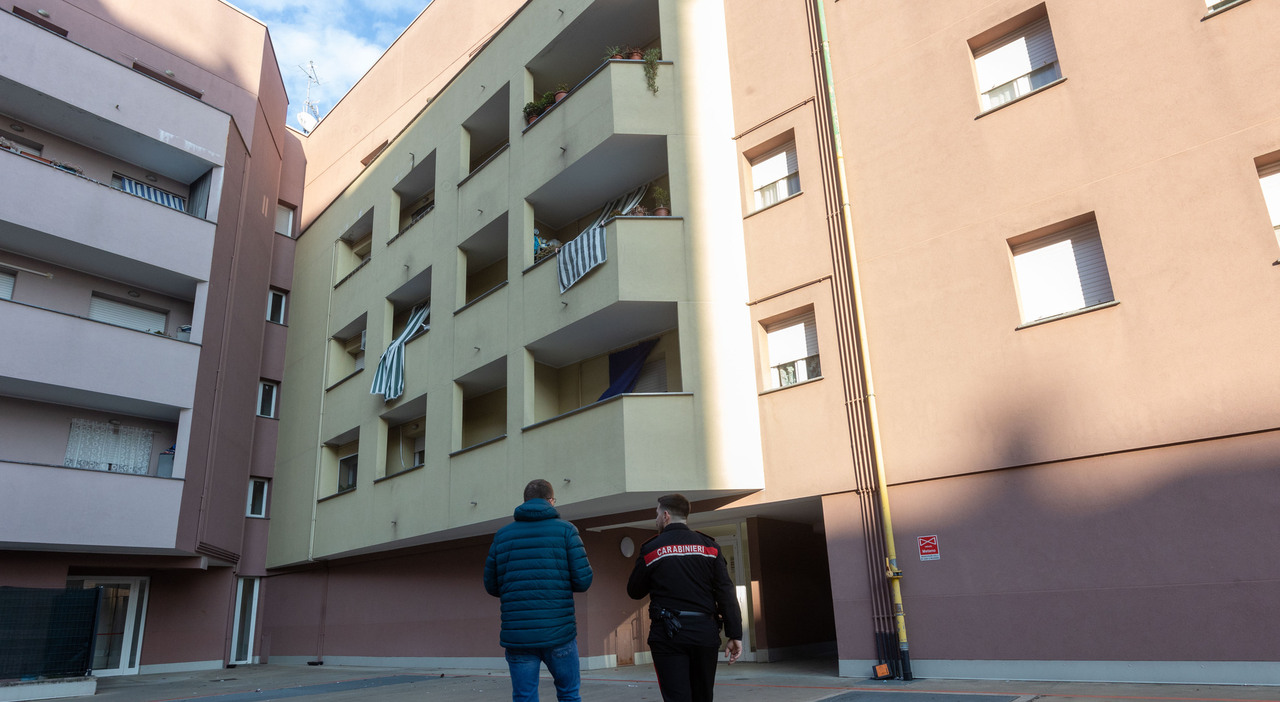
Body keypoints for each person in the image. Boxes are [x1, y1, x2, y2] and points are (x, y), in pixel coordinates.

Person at [484, 479, 593, 702]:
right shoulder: (566, 531)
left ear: (525, 502)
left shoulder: (502, 536)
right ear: (551, 501)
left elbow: (491, 585)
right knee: (569, 695)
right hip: (559, 633)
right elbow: (583, 581)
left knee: (524, 697)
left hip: (519, 636)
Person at [627, 493, 743, 702]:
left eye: (657, 514)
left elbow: (634, 591)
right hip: (704, 632)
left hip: (668, 635)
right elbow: (725, 592)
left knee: (676, 697)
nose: (656, 519)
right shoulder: (710, 547)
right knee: (703, 696)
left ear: (666, 516)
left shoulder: (652, 548)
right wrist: (734, 633)